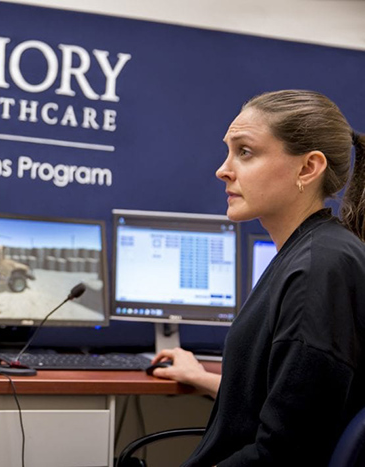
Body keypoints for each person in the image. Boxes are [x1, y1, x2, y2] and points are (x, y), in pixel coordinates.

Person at [149, 90, 365, 465]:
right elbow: (290, 403)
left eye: (244, 152)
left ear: (307, 168)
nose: (223, 169)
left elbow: (284, 453)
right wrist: (201, 377)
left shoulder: (319, 269)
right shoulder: (311, 252)